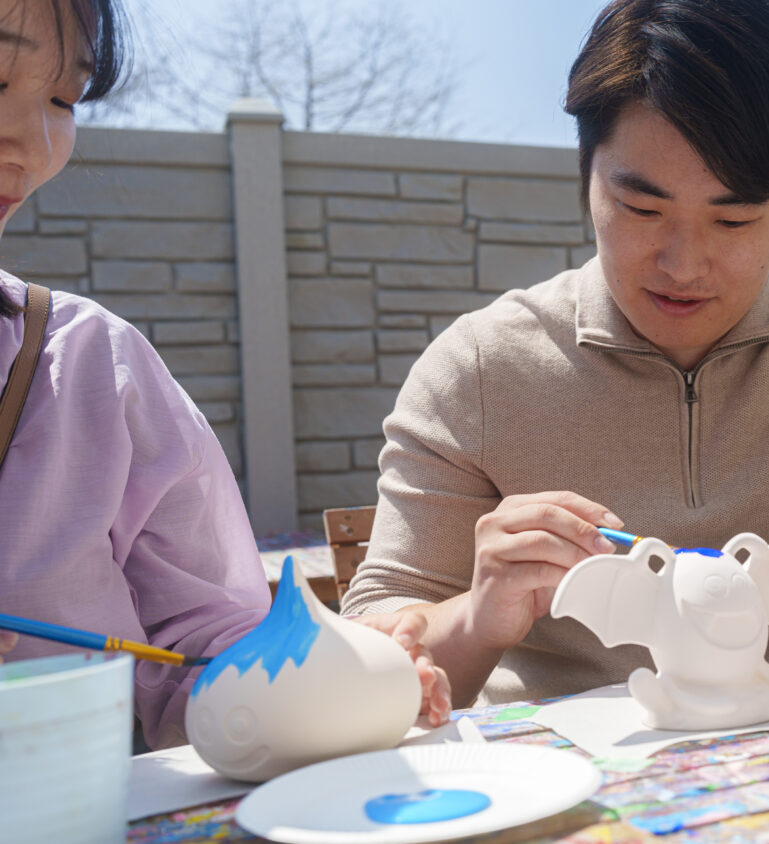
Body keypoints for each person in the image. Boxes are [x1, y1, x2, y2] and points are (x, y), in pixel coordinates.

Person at [342, 0, 769, 709]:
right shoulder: (477, 369)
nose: (683, 264)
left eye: (733, 220)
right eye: (643, 209)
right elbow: (373, 643)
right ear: (586, 176)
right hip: (554, 770)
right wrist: (476, 618)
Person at [0, 0, 451, 749]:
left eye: (63, 100)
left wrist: (314, 680)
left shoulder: (90, 364)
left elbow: (197, 643)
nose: (35, 142)